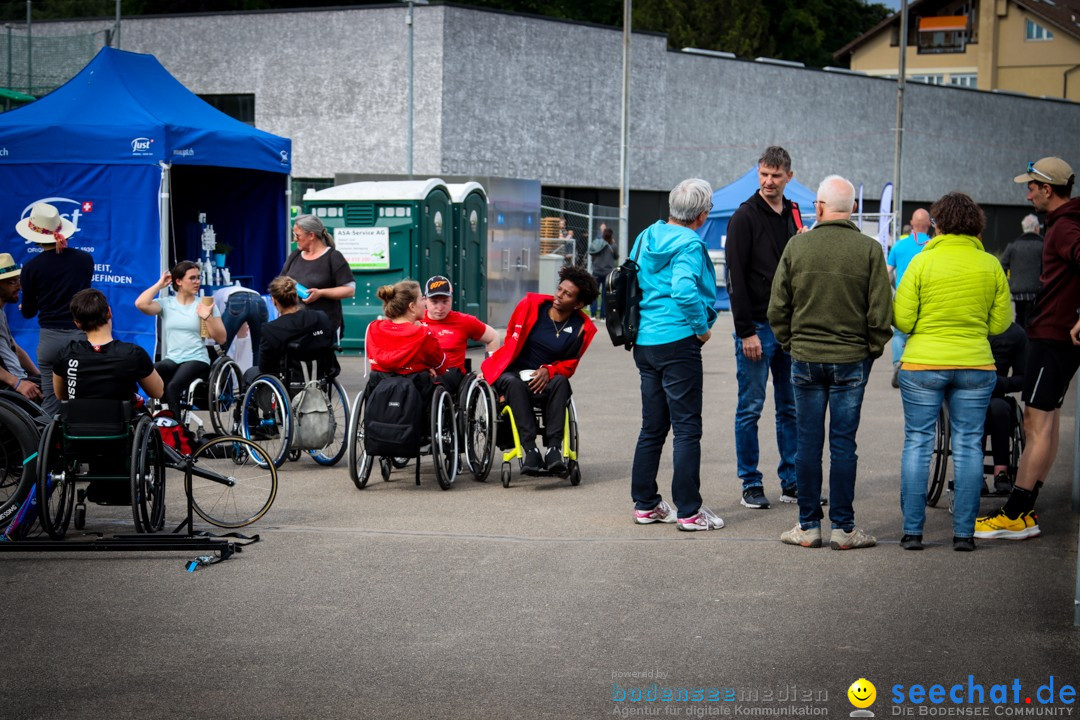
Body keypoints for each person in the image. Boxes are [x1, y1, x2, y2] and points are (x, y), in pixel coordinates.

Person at [768, 175, 892, 550]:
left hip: (805, 357)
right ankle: (844, 528)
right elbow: (881, 313)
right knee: (843, 444)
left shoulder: (797, 247)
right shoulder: (870, 250)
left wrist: (792, 344)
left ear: (819, 207)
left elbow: (777, 308)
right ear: (852, 208)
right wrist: (870, 349)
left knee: (807, 443)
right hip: (851, 359)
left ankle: (808, 526)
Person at [895, 192, 1011, 552]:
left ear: (937, 224)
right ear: (976, 225)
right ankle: (963, 534)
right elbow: (1001, 323)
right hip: (975, 363)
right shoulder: (990, 265)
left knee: (918, 441)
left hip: (923, 364)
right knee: (968, 445)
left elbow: (902, 319)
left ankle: (913, 532)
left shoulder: (920, 263)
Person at [976, 157, 1080, 540]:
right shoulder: (1069, 220)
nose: (1027, 193)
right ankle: (1026, 508)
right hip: (1056, 334)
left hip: (1053, 335)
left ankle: (1016, 513)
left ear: (1048, 189)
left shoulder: (1065, 225)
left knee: (1037, 423)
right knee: (1047, 422)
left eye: (1032, 187)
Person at [628, 178, 723, 531]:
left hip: (646, 341)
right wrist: (701, 327)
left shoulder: (646, 236)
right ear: (701, 215)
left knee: (652, 427)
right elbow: (684, 290)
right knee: (686, 429)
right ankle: (689, 511)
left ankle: (646, 503)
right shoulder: (689, 244)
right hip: (678, 340)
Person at [725, 145, 802, 509]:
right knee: (750, 408)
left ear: (789, 176)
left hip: (790, 328)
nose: (769, 182)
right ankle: (751, 483)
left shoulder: (794, 213)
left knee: (790, 408)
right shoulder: (744, 217)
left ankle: (791, 481)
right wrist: (745, 331)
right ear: (758, 173)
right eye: (764, 175)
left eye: (775, 176)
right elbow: (734, 278)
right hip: (755, 326)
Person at [482, 265, 598, 476]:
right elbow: (510, 337)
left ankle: (554, 450)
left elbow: (569, 365)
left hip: (546, 378)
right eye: (560, 289)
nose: (559, 296)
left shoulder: (582, 327)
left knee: (562, 382)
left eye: (568, 294)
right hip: (514, 373)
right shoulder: (530, 306)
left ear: (579, 304)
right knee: (514, 383)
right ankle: (530, 450)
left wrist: (549, 370)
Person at [16, 202, 93, 415]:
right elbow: (81, 298)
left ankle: (47, 447)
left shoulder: (31, 267)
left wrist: (36, 303)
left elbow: (29, 311)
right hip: (81, 337)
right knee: (82, 400)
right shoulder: (85, 260)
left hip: (50, 339)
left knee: (51, 404)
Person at [135, 261, 225, 413]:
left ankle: (175, 430)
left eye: (199, 277)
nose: (197, 282)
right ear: (179, 281)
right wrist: (159, 284)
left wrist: (207, 317)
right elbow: (140, 304)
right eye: (192, 278)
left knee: (173, 386)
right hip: (173, 359)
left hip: (197, 359)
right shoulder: (167, 304)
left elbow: (222, 338)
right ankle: (162, 415)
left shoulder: (205, 304)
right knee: (149, 372)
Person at [54, 289, 163, 403]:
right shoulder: (134, 353)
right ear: (109, 312)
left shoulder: (65, 354)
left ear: (77, 324)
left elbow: (61, 396)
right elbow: (157, 392)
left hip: (77, 419)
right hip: (122, 420)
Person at [243, 276, 338, 387]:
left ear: (274, 301)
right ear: (296, 297)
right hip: (320, 378)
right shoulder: (321, 317)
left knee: (250, 374)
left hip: (289, 384)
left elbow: (265, 368)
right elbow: (330, 344)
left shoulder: (271, 329)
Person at [366, 279, 446, 407]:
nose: (425, 302)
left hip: (379, 389)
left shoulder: (373, 328)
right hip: (415, 393)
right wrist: (426, 367)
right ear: (412, 307)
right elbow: (441, 365)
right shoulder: (423, 334)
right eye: (421, 299)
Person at [420, 275, 499, 396]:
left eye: (445, 301)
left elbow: (493, 337)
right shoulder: (416, 320)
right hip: (423, 371)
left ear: (451, 299)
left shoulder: (464, 321)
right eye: (434, 302)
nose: (440, 308)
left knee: (434, 382)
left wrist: (489, 369)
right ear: (424, 300)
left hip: (451, 374)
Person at [282, 214, 356, 342]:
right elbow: (281, 281)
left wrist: (321, 293)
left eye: (297, 235)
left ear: (311, 235)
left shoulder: (333, 257)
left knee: (323, 361)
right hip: (295, 323)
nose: (295, 239)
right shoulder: (294, 255)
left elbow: (349, 290)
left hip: (324, 324)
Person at [886, 208, 932, 388]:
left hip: (903, 294)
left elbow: (887, 273)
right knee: (923, 331)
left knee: (899, 332)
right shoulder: (934, 245)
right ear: (929, 225)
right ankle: (922, 368)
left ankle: (898, 364)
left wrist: (895, 288)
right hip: (927, 296)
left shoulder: (899, 245)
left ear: (912, 224)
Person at [984, 322, 1027, 496]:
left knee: (998, 408)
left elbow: (1023, 378)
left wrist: (1000, 383)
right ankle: (973, 472)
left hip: (997, 392)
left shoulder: (1015, 334)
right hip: (966, 394)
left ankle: (1001, 472)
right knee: (976, 409)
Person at [0, 253, 43, 403]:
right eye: (12, 282)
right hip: (9, 388)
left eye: (18, 280)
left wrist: (38, 376)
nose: (19, 286)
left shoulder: (1, 312)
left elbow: (15, 348)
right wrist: (17, 383)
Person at [998, 214, 1043, 327]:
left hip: (1017, 291)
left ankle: (1021, 342)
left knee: (1019, 317)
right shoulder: (1043, 246)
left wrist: (1009, 283)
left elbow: (1001, 266)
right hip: (1037, 292)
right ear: (1036, 228)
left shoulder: (1013, 246)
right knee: (1033, 320)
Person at [213, 284, 269, 366]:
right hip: (259, 300)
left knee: (220, 349)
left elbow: (218, 330)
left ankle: (217, 377)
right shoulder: (223, 293)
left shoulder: (213, 299)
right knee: (259, 349)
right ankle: (258, 377)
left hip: (237, 300)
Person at [588, 226, 618, 319]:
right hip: (608, 273)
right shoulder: (613, 246)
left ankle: (593, 314)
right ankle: (603, 316)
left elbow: (592, 253)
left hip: (596, 271)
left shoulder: (598, 244)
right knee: (605, 295)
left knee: (594, 293)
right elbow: (616, 257)